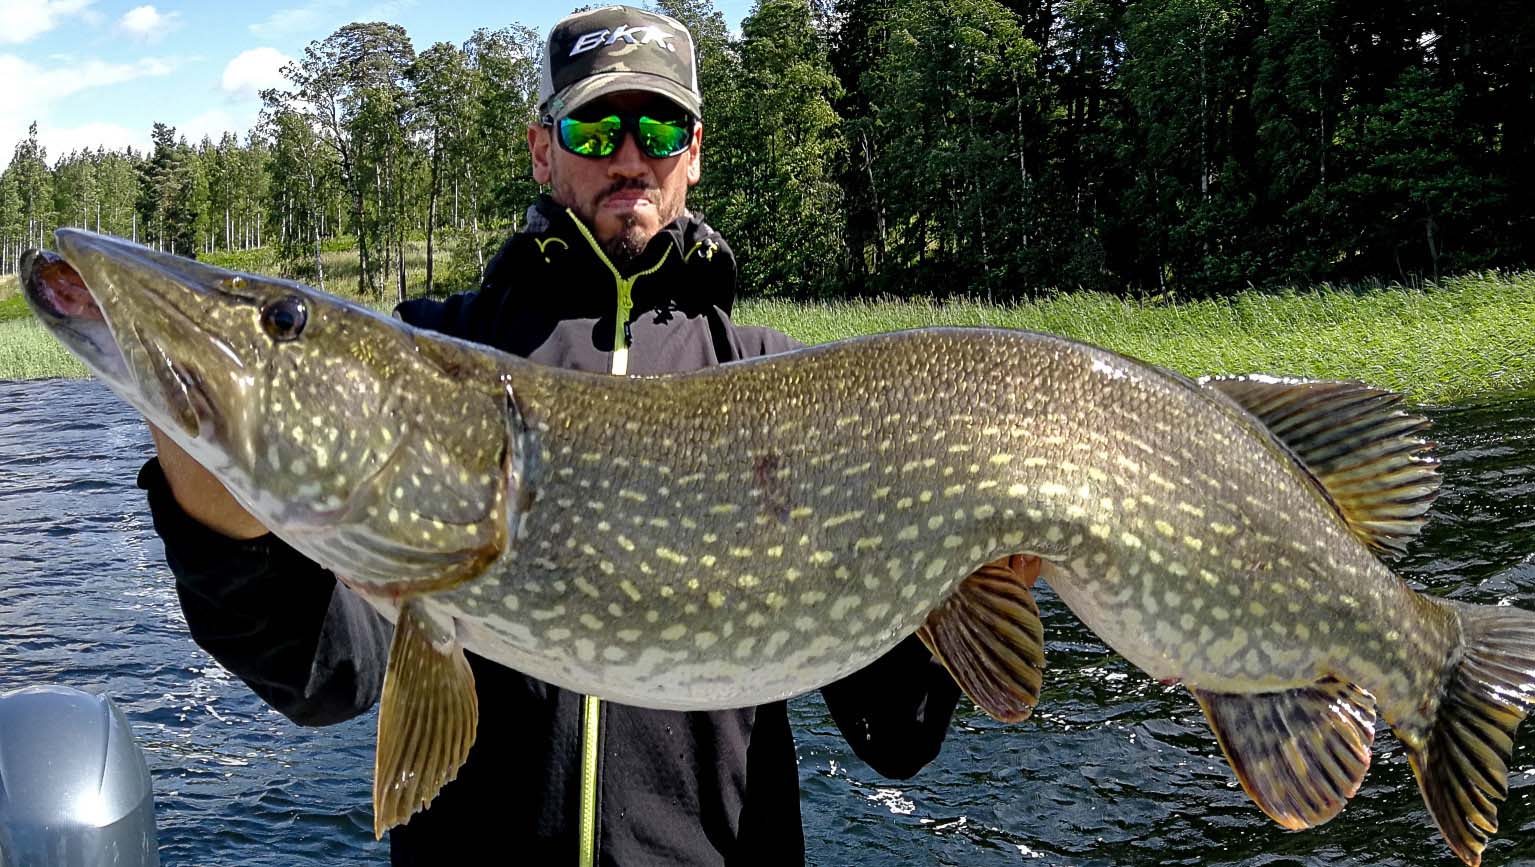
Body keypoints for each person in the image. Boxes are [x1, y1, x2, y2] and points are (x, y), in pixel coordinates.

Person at [135, 6, 1036, 864]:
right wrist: (208, 502)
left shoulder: (790, 386)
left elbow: (894, 735)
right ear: (543, 150)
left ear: (695, 154)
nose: (630, 156)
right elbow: (325, 676)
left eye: (660, 129)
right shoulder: (437, 355)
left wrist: (964, 581)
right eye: (596, 130)